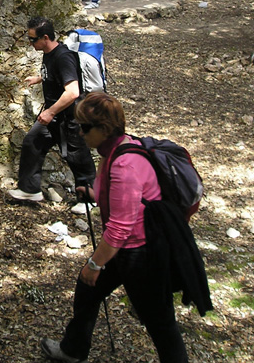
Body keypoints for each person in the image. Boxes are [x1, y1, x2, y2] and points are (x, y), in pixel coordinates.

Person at [41, 92, 189, 363]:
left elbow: (121, 227)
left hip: (141, 254)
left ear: (105, 129)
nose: (81, 133)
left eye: (85, 127)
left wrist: (95, 264)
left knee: (159, 321)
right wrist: (94, 193)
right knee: (88, 290)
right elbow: (125, 198)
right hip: (126, 249)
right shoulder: (120, 147)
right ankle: (73, 350)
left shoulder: (124, 163)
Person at [7, 17, 95, 205]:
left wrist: (50, 112)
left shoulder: (63, 57)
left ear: (45, 37)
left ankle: (89, 199)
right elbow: (56, 75)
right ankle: (29, 190)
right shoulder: (49, 53)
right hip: (53, 116)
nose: (30, 43)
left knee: (77, 156)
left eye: (33, 39)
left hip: (69, 116)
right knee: (32, 142)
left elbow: (72, 92)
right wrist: (40, 78)